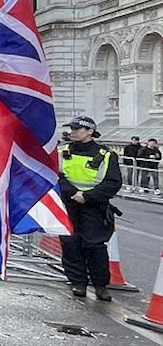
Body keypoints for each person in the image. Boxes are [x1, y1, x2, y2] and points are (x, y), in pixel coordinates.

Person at [57, 116, 122, 301]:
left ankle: (100, 285)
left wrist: (87, 196)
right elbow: (56, 176)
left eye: (78, 129)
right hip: (69, 204)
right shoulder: (63, 151)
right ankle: (78, 283)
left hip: (94, 207)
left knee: (94, 246)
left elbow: (113, 182)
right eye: (72, 129)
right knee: (71, 245)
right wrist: (72, 193)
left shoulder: (106, 154)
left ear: (90, 131)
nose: (73, 132)